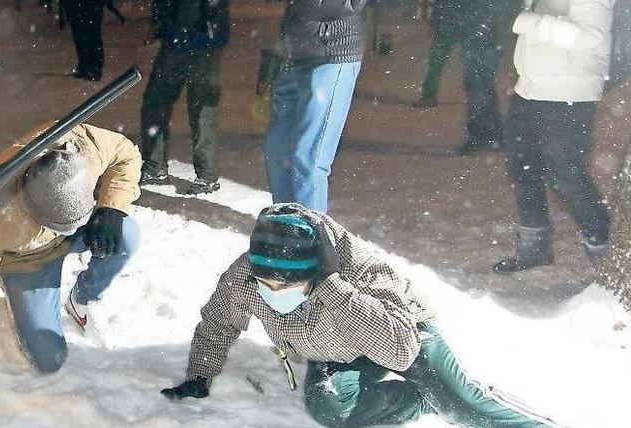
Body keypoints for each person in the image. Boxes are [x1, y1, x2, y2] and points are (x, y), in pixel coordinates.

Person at [161, 203, 556, 427]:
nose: (275, 293)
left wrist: (332, 287)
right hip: (336, 349)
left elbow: (399, 350)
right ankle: (419, 401)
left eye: (287, 285)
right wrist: (200, 373)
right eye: (268, 284)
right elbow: (217, 322)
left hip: (403, 335)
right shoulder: (246, 275)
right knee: (330, 411)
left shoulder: (361, 269)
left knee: (465, 407)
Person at [0, 123, 141, 399]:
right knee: (49, 359)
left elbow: (126, 152)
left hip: (78, 228)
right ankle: (18, 292)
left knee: (127, 235)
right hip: (27, 262)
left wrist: (111, 208)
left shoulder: (79, 148)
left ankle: (83, 297)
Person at [492, 0, 614, 274]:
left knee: (567, 176)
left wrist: (523, 20)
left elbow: (589, 35)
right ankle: (534, 249)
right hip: (530, 88)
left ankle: (609, 262)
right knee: (523, 167)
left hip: (568, 93)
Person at [263, 0, 369, 211]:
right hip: (295, 55)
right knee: (278, 151)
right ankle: (287, 223)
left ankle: (311, 232)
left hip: (331, 55)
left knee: (310, 155)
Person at [138, 0, 229, 194]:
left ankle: (206, 175)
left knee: (202, 111)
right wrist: (159, 23)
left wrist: (207, 29)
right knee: (155, 103)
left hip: (203, 44)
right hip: (175, 42)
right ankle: (155, 165)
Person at [411, 0, 504, 155]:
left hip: (469, 24)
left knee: (477, 84)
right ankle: (490, 135)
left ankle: (484, 135)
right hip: (464, 23)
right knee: (477, 84)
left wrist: (484, 21)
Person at [60, 0, 106, 80]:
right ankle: (86, 66)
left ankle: (93, 68)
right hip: (79, 10)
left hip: (88, 9)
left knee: (91, 38)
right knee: (81, 39)